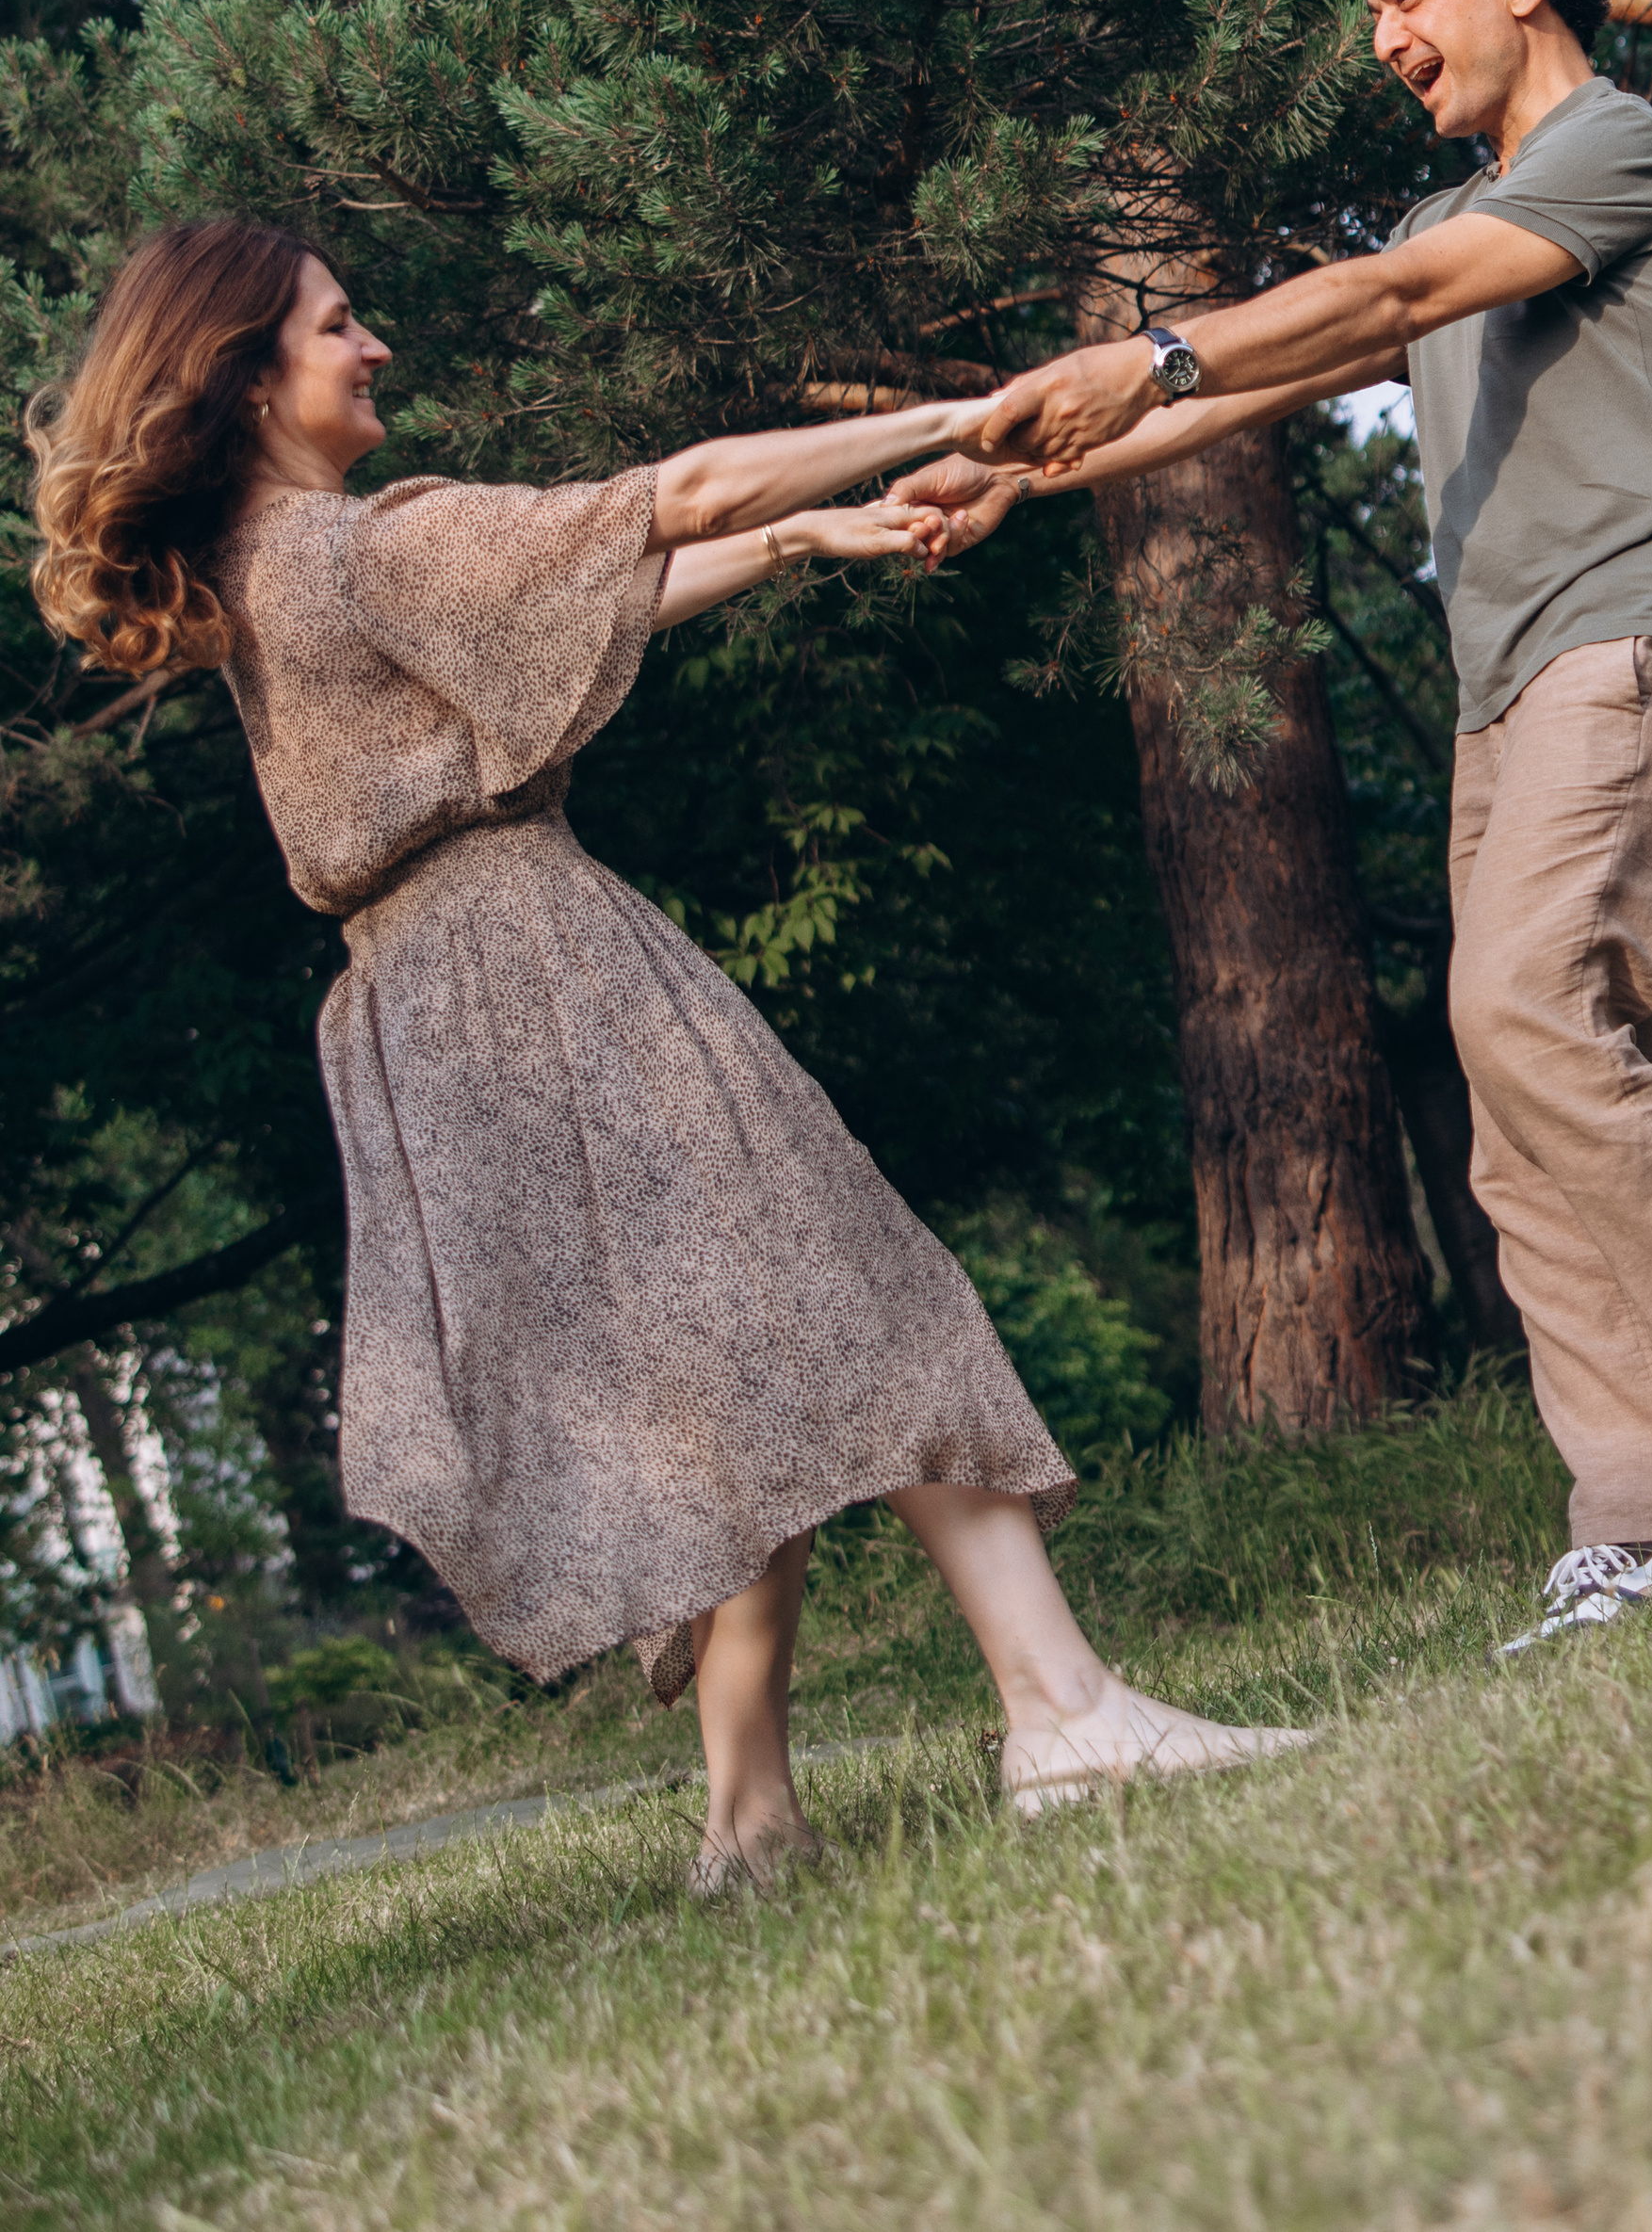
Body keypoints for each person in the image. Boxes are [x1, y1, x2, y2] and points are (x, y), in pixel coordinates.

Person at [25, 218, 1305, 1871]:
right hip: (529, 962)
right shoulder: (358, 549)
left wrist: (809, 544)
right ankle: (1061, 1709)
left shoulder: (280, 578)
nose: (376, 347)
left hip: (435, 1005)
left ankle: (750, 1819)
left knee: (717, 1363)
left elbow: (623, 578)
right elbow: (675, 493)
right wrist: (959, 419)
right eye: (340, 326)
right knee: (846, 1280)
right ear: (249, 374)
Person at [899, 0, 1652, 1645]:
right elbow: (1286, 371)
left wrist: (1153, 357)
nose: (1383, 39)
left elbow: (1376, 305)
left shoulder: (1619, 154)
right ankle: (1648, 1520)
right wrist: (1021, 468)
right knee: (1521, 1115)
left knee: (1516, 1014)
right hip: (1513, 691)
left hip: (1637, 637)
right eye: (1370, 17)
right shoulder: (1469, 209)